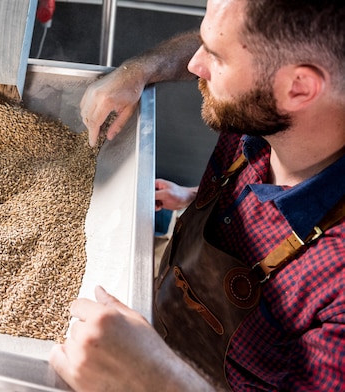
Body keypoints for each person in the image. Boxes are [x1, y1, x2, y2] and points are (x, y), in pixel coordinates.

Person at [49, 0, 345, 390]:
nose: (195, 66)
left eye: (216, 58)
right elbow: (224, 44)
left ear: (299, 87)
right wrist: (140, 70)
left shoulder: (336, 282)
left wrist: (152, 377)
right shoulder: (270, 111)